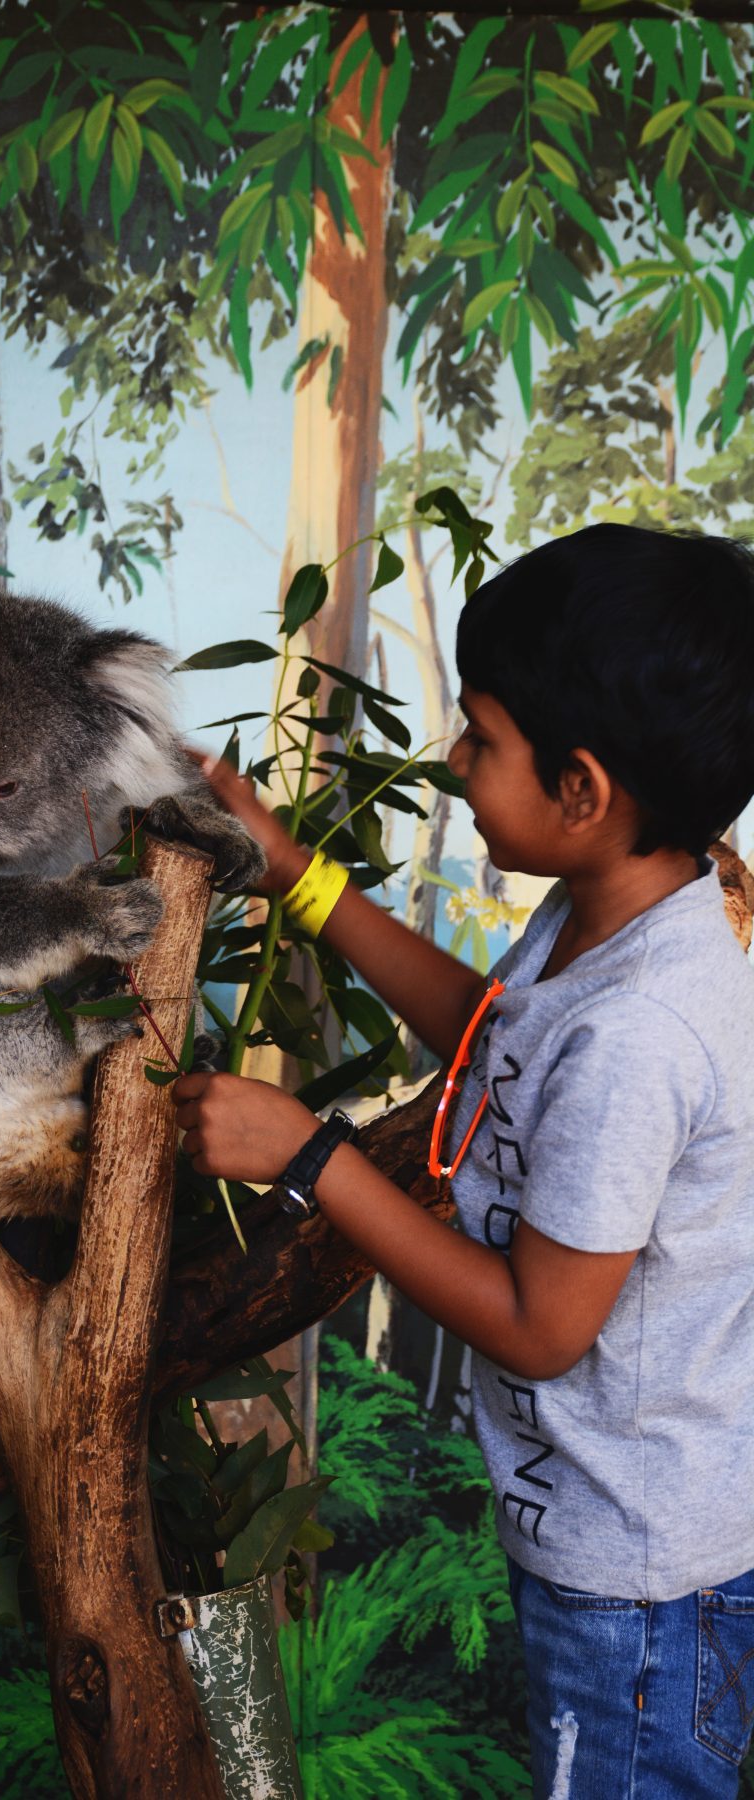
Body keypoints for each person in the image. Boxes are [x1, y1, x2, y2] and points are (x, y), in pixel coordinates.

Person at [171, 523, 754, 1799]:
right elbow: (497, 1040)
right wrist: (298, 880)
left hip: (639, 1602)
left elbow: (542, 1328)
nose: (452, 760)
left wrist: (313, 1158)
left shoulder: (641, 1034)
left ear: (584, 790)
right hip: (612, 1550)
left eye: (481, 738)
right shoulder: (618, 904)